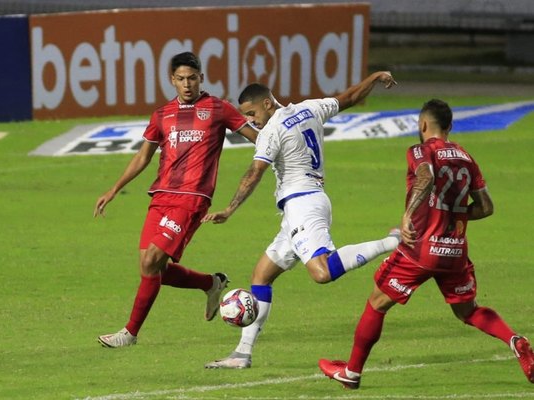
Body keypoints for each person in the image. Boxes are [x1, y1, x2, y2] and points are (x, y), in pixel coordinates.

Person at [319, 99, 534, 388]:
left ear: (422, 125)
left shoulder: (421, 151)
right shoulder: (467, 158)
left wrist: (409, 215)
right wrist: (451, 216)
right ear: (450, 127)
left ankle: (352, 372)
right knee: (468, 311)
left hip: (420, 250)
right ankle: (514, 339)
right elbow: (485, 207)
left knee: (377, 303)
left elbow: (426, 176)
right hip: (454, 251)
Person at [202, 72, 399, 369]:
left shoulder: (272, 130)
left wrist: (229, 209)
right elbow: (349, 98)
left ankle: (394, 241)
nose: (252, 121)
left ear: (267, 103)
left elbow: (254, 173)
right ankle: (242, 354)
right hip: (304, 204)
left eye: (253, 113)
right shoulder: (310, 108)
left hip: (302, 207)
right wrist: (374, 78)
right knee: (261, 276)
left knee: (321, 272)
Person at [94, 51, 258, 348]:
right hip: (161, 195)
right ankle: (211, 283)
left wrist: (283, 146)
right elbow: (143, 156)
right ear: (172, 80)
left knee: (154, 259)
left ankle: (129, 333)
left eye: (192, 78)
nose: (187, 84)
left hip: (193, 197)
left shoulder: (218, 109)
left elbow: (256, 137)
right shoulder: (162, 114)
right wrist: (114, 189)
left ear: (201, 79)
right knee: (150, 265)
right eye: (181, 79)